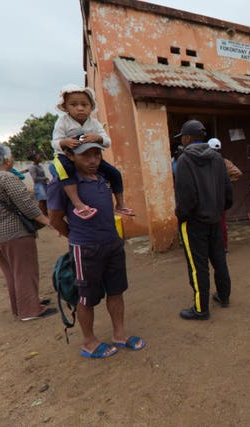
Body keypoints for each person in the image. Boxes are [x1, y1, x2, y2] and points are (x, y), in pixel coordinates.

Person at [47, 141, 145, 358]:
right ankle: (89, 342)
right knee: (86, 297)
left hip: (113, 244)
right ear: (71, 156)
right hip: (86, 250)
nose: (93, 161)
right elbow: (54, 219)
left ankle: (119, 335)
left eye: (97, 155)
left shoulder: (103, 178)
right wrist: (76, 237)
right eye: (86, 156)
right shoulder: (62, 184)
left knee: (116, 290)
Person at [0, 142, 55, 321]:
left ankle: (21, 307)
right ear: (5, 159)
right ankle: (30, 310)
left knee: (11, 273)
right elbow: (27, 206)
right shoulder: (6, 178)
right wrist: (49, 222)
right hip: (14, 233)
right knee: (25, 271)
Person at [174, 120, 233, 320]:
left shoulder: (184, 160)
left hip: (194, 222)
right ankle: (223, 297)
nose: (182, 140)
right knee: (219, 260)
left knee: (197, 266)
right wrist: (218, 210)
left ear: (188, 138)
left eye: (182, 137)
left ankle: (201, 309)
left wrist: (182, 216)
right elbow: (228, 190)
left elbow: (186, 196)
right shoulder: (217, 158)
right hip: (215, 220)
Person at [50, 84, 134, 219]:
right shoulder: (62, 122)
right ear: (65, 107)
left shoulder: (94, 123)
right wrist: (64, 142)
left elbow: (107, 142)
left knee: (114, 173)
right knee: (65, 172)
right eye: (74, 104)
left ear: (91, 107)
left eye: (84, 104)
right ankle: (78, 204)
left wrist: (99, 137)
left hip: (88, 156)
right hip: (65, 156)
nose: (80, 108)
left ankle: (120, 204)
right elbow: (54, 142)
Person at [208, 137, 242, 252]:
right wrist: (227, 182)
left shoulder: (204, 162)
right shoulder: (224, 161)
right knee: (221, 223)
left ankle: (212, 247)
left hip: (208, 198)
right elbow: (237, 173)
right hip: (221, 199)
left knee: (210, 223)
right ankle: (224, 247)